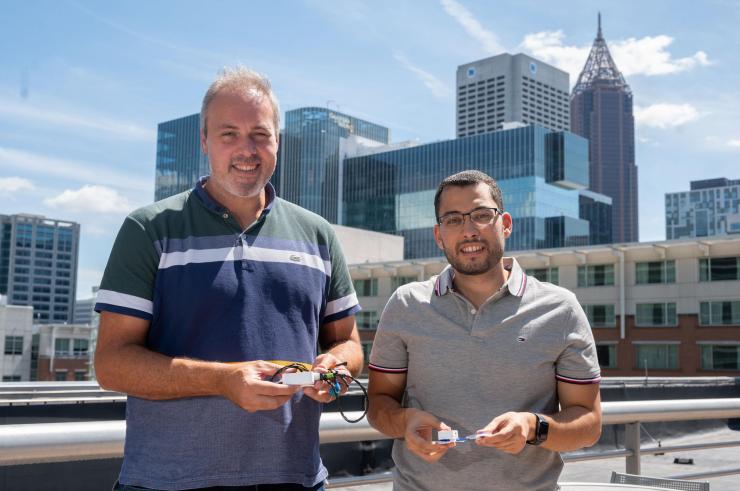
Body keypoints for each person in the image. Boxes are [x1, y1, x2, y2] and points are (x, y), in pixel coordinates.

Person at [94, 66, 363, 491]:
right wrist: (222, 380)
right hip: (167, 482)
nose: (246, 149)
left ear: (278, 141)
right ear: (204, 141)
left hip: (296, 478)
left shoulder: (318, 234)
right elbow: (111, 364)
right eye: (229, 134)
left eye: (260, 134)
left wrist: (336, 367)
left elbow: (348, 342)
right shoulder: (149, 228)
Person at [367, 170, 602, 491]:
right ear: (439, 235)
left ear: (505, 223)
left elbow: (588, 423)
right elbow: (379, 403)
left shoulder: (561, 308)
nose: (468, 230)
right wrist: (405, 421)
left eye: (481, 215)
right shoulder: (406, 305)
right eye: (453, 220)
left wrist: (533, 427)